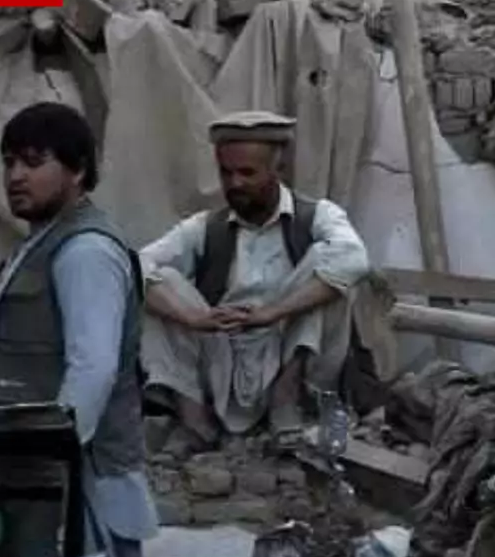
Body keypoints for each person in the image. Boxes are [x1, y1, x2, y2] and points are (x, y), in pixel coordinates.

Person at [0, 101, 157, 557]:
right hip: (44, 483)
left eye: (32, 161)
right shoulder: (39, 246)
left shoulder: (85, 251)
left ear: (76, 171)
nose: (15, 176)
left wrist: (50, 470)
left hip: (79, 486)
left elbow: (91, 372)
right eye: (8, 162)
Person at [138, 110, 371, 453]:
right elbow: (132, 266)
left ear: (279, 170)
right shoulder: (204, 228)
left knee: (331, 264)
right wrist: (194, 318)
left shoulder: (319, 216)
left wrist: (273, 312)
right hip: (223, 355)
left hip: (289, 352)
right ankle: (195, 421)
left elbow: (355, 260)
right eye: (226, 173)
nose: (235, 184)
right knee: (158, 281)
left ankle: (285, 402)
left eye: (247, 172)